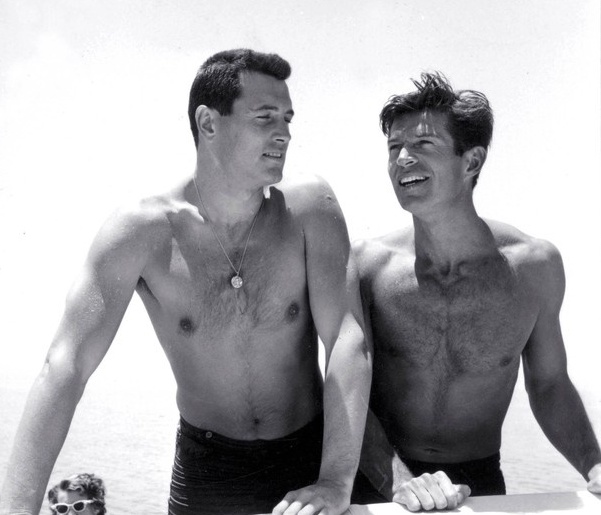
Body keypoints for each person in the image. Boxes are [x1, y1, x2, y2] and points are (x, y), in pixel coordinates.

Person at [0, 49, 371, 515]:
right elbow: (65, 365)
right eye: (265, 117)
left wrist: (335, 480)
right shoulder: (141, 231)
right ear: (208, 122)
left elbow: (347, 339)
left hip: (310, 457)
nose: (284, 133)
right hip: (207, 469)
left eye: (288, 119)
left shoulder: (309, 209)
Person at [353, 72, 601, 511]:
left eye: (423, 144)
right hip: (382, 481)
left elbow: (549, 384)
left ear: (471, 161)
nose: (403, 159)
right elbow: (346, 389)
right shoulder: (369, 266)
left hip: (480, 482)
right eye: (394, 148)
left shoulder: (533, 267)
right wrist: (401, 482)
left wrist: (594, 464)